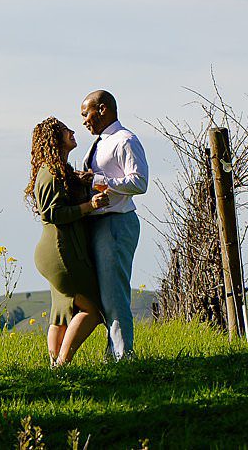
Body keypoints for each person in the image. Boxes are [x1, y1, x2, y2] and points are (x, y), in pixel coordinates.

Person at [26, 115, 115, 367]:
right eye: (66, 130)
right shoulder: (49, 173)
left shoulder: (61, 171)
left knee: (61, 312)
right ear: (54, 139)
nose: (73, 132)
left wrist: (83, 182)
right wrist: (90, 205)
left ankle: (54, 366)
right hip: (61, 251)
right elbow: (52, 214)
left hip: (61, 249)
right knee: (93, 309)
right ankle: (62, 365)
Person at [80, 88, 148, 361]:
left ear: (103, 109)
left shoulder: (125, 140)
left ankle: (123, 357)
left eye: (86, 113)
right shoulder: (100, 143)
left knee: (115, 295)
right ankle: (113, 354)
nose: (84, 121)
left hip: (116, 223)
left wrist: (97, 181)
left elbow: (140, 182)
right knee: (104, 296)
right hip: (98, 224)